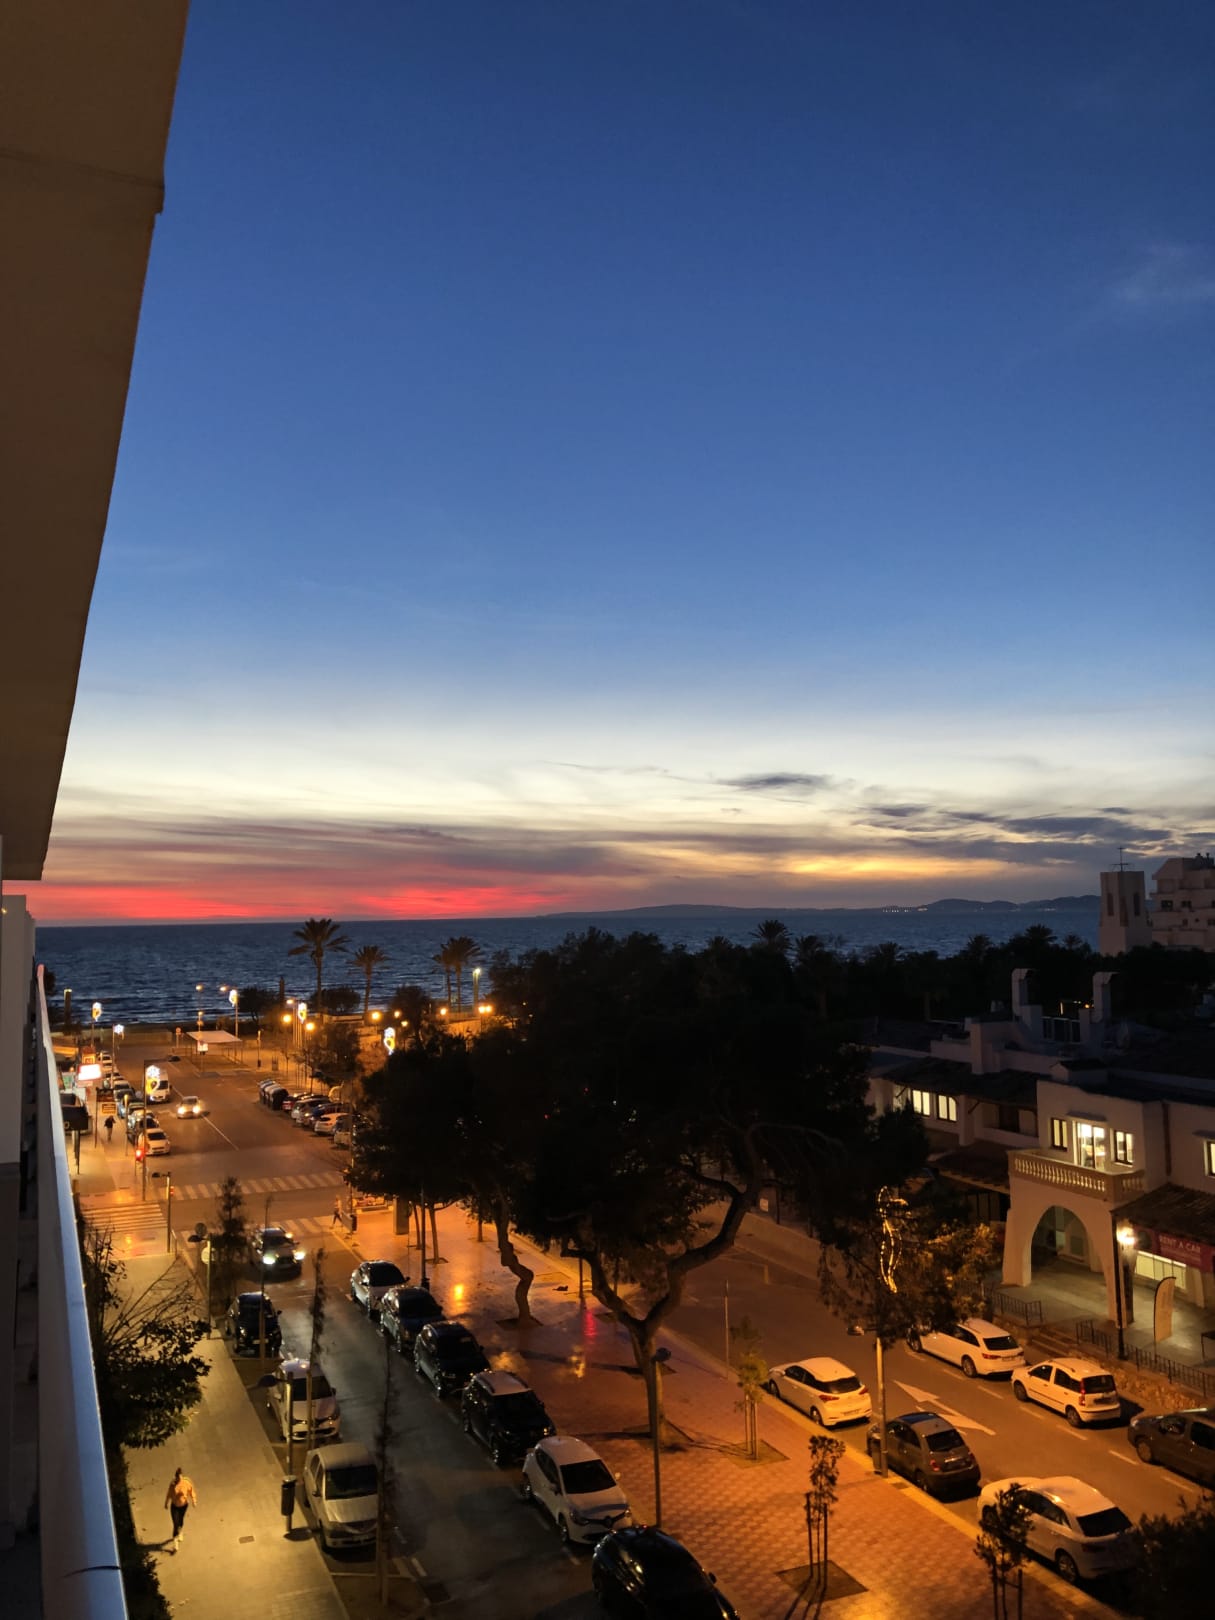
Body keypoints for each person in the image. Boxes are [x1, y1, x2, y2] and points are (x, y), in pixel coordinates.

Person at [164, 1467, 197, 1550]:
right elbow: (169, 1494)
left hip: (184, 1506)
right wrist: (166, 1503)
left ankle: (180, 1532)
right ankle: (175, 1542)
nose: (179, 1479)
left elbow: (191, 1491)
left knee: (180, 1521)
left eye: (180, 1477)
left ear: (182, 1476)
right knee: (175, 1523)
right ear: (176, 1477)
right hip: (174, 1506)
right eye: (178, 1478)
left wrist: (194, 1500)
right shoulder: (173, 1484)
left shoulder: (186, 1482)